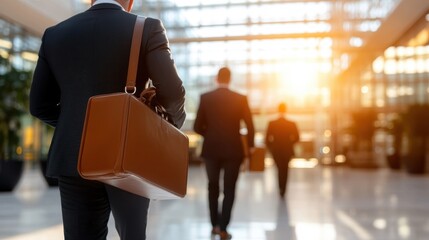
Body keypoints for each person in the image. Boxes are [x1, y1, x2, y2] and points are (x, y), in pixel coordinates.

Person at [29, 0, 186, 239]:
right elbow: (173, 93)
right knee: (132, 235)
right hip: (128, 157)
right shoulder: (146, 28)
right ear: (130, 2)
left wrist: (82, 128)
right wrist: (169, 131)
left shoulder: (55, 34)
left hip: (74, 158)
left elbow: (39, 105)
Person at [193, 67, 254, 240]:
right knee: (229, 189)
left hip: (211, 150)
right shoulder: (241, 99)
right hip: (233, 150)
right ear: (230, 79)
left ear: (216, 79)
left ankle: (214, 225)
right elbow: (250, 125)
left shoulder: (206, 98)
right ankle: (224, 229)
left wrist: (210, 134)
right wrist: (249, 147)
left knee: (212, 187)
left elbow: (197, 126)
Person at [265, 102, 299, 198]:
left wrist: (272, 147)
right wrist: (289, 143)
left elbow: (267, 139)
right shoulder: (291, 124)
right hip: (287, 150)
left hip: (276, 151)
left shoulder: (272, 123)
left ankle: (281, 189)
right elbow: (297, 137)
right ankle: (283, 189)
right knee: (285, 170)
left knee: (279, 169)